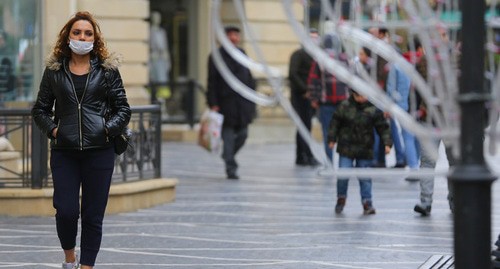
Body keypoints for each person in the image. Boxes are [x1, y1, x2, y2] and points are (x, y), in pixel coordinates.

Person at [31, 11, 131, 269]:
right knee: (66, 211)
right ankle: (69, 258)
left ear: (94, 38)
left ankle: (87, 266)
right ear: (68, 36)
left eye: (88, 33)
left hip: (100, 152)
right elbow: (40, 109)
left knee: (93, 215)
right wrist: (55, 131)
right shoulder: (54, 71)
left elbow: (123, 109)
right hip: (65, 152)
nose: (82, 37)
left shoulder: (107, 71)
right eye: (77, 32)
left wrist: (105, 130)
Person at [327, 90, 392, 215]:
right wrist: (332, 139)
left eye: (364, 95)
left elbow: (382, 127)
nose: (362, 98)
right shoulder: (344, 106)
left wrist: (387, 143)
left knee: (365, 177)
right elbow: (335, 123)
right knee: (343, 174)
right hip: (346, 147)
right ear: (353, 95)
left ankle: (367, 202)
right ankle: (341, 198)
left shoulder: (373, 109)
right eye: (359, 96)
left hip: (365, 148)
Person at [206, 25, 256, 180]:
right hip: (225, 105)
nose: (234, 38)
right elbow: (212, 82)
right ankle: (231, 168)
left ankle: (228, 155)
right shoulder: (216, 56)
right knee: (227, 137)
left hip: (243, 105)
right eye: (230, 35)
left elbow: (249, 78)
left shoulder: (242, 54)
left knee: (243, 135)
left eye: (236, 35)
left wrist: (252, 96)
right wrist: (213, 103)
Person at [307, 33, 349, 163]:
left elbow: (313, 81)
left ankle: (329, 162)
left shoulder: (319, 59)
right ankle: (344, 162)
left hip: (326, 102)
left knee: (327, 132)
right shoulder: (345, 59)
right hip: (343, 102)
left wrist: (314, 99)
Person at [289, 28, 320, 166]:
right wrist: (305, 90)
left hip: (310, 96)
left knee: (305, 126)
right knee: (304, 126)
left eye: (316, 37)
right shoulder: (298, 54)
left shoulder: (316, 55)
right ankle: (305, 155)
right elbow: (293, 74)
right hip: (300, 96)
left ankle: (302, 156)